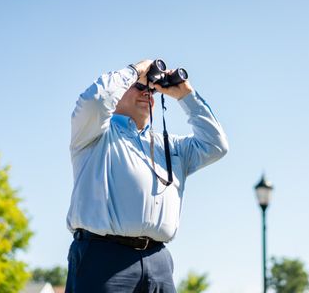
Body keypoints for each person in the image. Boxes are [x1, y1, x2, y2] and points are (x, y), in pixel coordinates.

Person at [65, 59, 229, 292]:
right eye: (139, 88)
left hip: (158, 260)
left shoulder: (169, 145)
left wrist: (186, 95)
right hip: (104, 258)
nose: (147, 94)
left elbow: (216, 145)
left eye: (151, 90)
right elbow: (96, 101)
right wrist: (136, 71)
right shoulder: (96, 134)